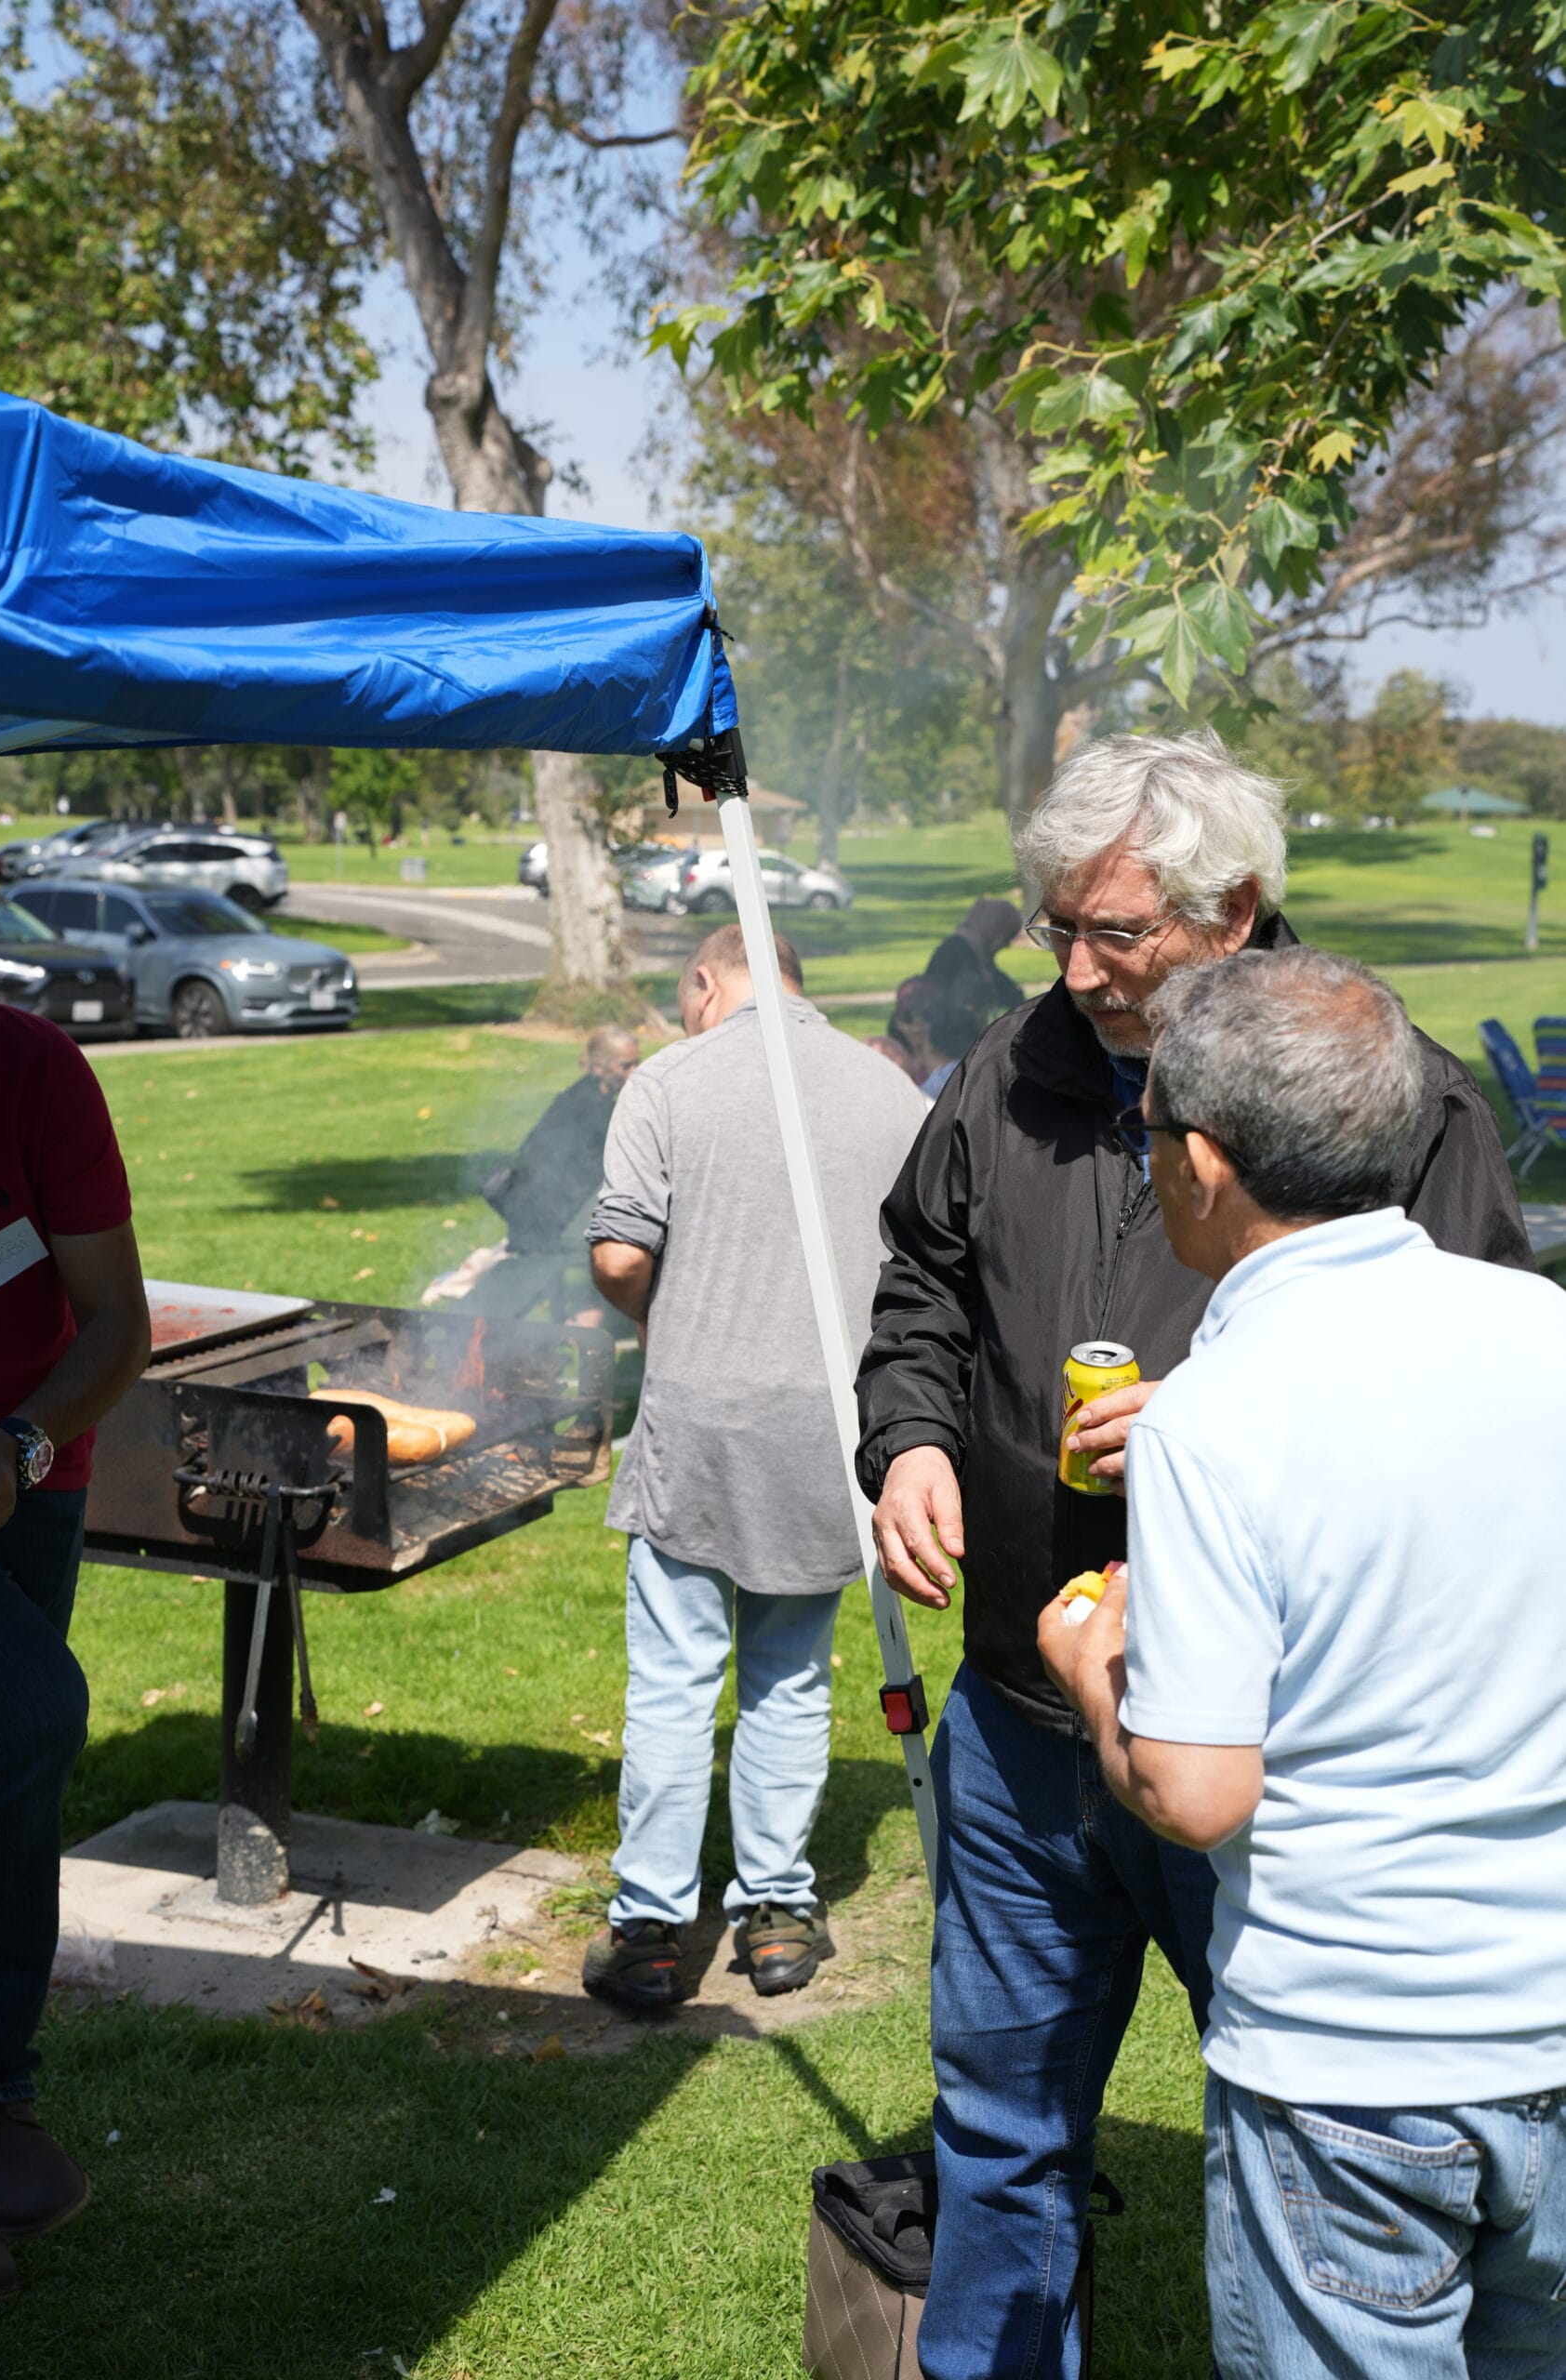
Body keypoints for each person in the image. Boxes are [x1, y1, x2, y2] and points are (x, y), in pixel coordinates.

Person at [855, 729, 1533, 2380]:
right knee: (998, 2119)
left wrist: (1219, 1414)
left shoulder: (1391, 1091)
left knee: (1322, 2129)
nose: (1074, 971)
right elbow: (919, 1291)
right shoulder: (1007, 1070)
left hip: (1269, 1750)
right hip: (1025, 1707)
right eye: (1054, 929)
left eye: (1116, 935)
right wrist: (911, 1442)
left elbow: (1454, 1371)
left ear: (1232, 913)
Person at [1039, 946, 1566, 2380]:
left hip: (1352, 2067)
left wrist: (1092, 1661)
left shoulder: (1218, 1413)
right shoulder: (1543, 1327)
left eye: (1147, 1136)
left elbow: (1199, 1793)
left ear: (1198, 1162)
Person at [582, 925, 927, 2011]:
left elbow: (620, 1253)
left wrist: (670, 1317)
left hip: (696, 1420)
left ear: (705, 980)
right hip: (829, 1428)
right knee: (787, 1677)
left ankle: (649, 1928)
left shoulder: (668, 1080)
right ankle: (776, 1916)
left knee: (676, 1682)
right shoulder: (891, 1093)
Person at [0, 1004, 150, 2300]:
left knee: (3, 1784)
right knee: (24, 1714)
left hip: (28, 1477)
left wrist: (19, 1448)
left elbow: (114, 1323)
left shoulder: (30, 1069)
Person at [421, 1024, 638, 1316]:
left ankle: (581, 1336)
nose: (635, 1072)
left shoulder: (579, 1097)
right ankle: (587, 1342)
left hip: (542, 1215)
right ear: (600, 1067)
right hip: (546, 1221)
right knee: (605, 1266)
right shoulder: (592, 1109)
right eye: (626, 1065)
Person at [922, 895, 1024, 1025]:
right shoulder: (954, 952)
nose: (1006, 945)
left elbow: (1005, 989)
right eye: (1005, 938)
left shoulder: (978, 954)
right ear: (993, 931)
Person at [887, 975, 985, 1098]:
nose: (916, 1025)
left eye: (926, 1016)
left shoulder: (945, 1069)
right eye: (908, 1018)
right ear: (897, 1021)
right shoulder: (892, 1055)